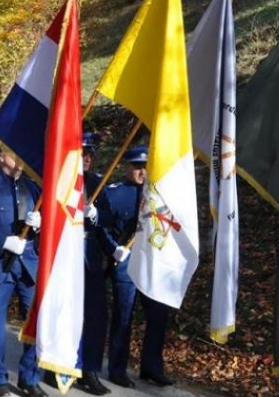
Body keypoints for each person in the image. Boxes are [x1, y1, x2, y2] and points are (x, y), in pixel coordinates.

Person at [0, 149, 46, 397]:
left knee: (34, 322)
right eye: (15, 155)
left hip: (29, 266)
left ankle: (29, 377)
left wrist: (41, 224)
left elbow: (50, 226)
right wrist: (4, 241)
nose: (21, 160)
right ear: (2, 156)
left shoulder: (34, 189)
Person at [100, 145, 175, 387]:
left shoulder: (159, 193)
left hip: (153, 263)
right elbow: (102, 227)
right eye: (136, 167)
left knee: (158, 314)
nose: (141, 171)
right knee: (124, 316)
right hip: (126, 262)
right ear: (127, 167)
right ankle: (117, 369)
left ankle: (151, 366)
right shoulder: (114, 193)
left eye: (145, 167)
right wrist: (114, 249)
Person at [75, 131, 112, 395]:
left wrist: (97, 216)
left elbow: (110, 220)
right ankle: (63, 367)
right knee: (68, 314)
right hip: (68, 257)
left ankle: (90, 370)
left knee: (96, 318)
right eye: (82, 153)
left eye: (90, 153)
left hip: (93, 258)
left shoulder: (99, 183)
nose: (87, 158)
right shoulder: (61, 181)